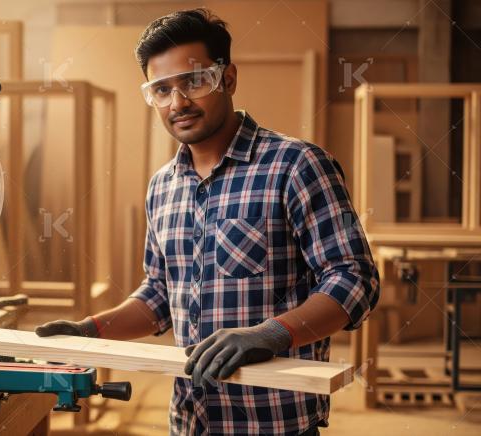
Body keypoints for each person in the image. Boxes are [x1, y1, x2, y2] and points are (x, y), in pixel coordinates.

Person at [35, 8, 379, 436]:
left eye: (194, 81)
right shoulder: (163, 186)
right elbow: (160, 293)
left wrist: (270, 335)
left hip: (272, 421)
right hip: (190, 418)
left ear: (227, 78)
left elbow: (354, 280)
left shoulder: (296, 165)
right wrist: (92, 329)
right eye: (162, 90)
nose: (178, 102)